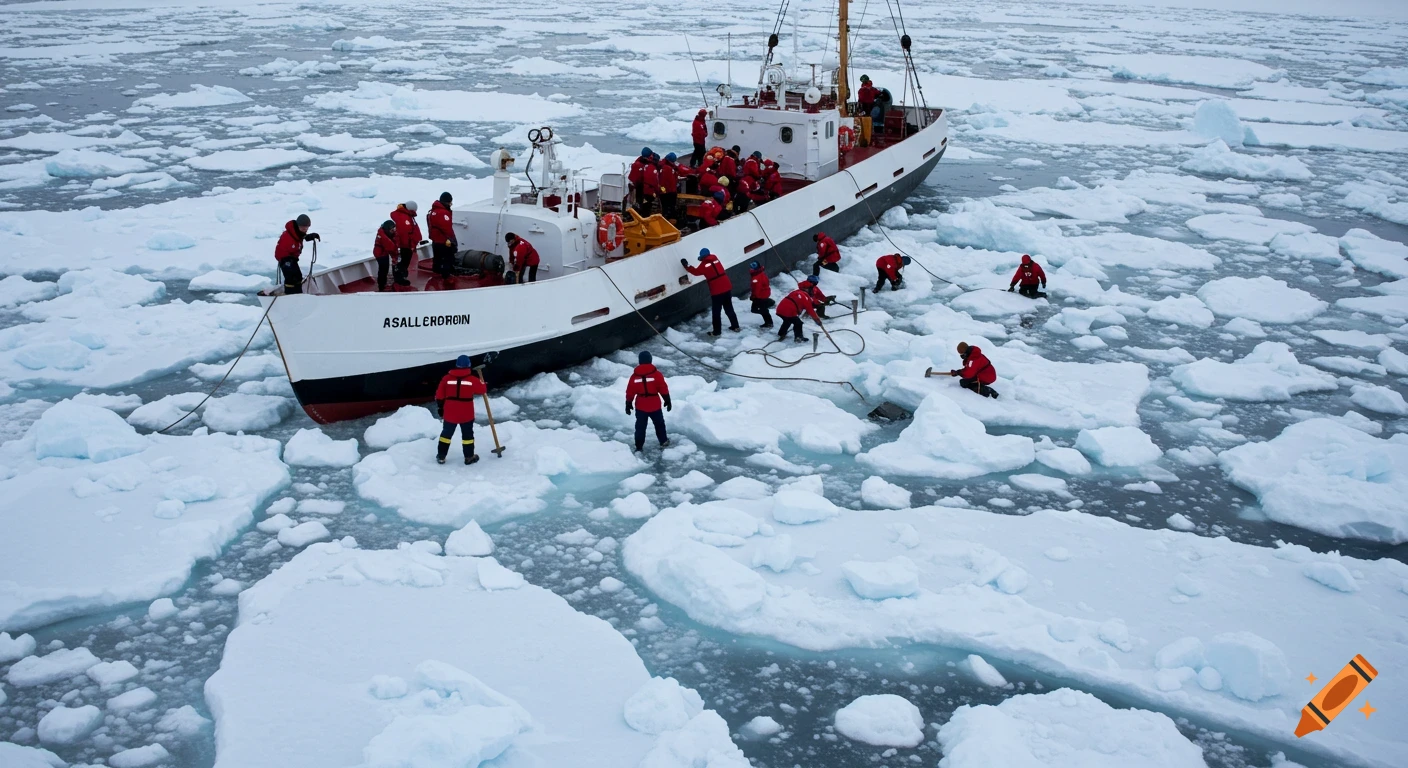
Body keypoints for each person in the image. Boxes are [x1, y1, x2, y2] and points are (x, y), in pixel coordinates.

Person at [434, 355, 487, 465]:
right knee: (467, 436)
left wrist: (440, 407)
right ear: (468, 365)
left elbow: (439, 395)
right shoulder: (472, 380)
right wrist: (482, 383)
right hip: (466, 413)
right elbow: (482, 390)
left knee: (446, 435)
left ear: (456, 365)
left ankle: (441, 456)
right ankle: (469, 457)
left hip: (450, 412)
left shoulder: (446, 378)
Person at [682, 247, 739, 336]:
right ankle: (735, 326)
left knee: (716, 312)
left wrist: (687, 265)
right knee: (729, 308)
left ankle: (716, 331)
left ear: (702, 257)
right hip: (727, 287)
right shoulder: (716, 259)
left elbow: (696, 272)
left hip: (717, 291)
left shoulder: (704, 264)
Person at [625, 350, 671, 452]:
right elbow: (663, 388)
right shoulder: (657, 374)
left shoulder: (634, 376)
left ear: (640, 361)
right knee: (659, 424)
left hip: (641, 405)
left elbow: (630, 391)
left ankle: (639, 447)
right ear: (650, 360)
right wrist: (667, 400)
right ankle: (663, 441)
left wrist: (628, 403)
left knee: (640, 427)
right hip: (655, 405)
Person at [274, 214, 319, 294]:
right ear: (298, 226)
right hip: (285, 258)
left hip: (292, 258)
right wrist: (286, 260)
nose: (305, 229)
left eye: (306, 227)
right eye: (303, 227)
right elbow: (280, 250)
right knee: (291, 277)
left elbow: (302, 236)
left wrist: (311, 236)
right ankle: (290, 295)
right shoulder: (288, 235)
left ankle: (297, 294)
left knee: (298, 276)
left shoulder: (296, 232)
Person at [390, 201, 421, 287]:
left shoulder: (406, 216)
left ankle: (401, 276)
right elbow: (405, 233)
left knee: (403, 262)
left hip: (406, 245)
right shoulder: (404, 217)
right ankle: (399, 279)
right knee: (403, 262)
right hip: (405, 245)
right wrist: (411, 245)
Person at [427, 192, 456, 280]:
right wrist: (452, 239)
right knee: (448, 257)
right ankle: (446, 275)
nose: (450, 205)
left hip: (435, 240)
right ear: (446, 202)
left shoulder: (433, 211)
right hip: (444, 240)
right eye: (450, 202)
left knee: (437, 257)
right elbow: (447, 228)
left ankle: (436, 272)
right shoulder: (443, 213)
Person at [373, 219, 397, 291]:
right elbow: (391, 246)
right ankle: (382, 286)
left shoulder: (383, 233)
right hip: (380, 254)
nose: (393, 231)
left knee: (384, 269)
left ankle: (383, 284)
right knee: (383, 269)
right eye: (392, 230)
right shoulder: (383, 236)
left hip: (383, 253)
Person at [748, 260, 773, 328]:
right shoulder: (761, 274)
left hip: (760, 296)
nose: (751, 268)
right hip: (764, 294)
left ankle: (769, 322)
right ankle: (767, 316)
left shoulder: (756, 278)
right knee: (759, 309)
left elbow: (757, 289)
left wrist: (753, 296)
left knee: (758, 309)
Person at [659, 153, 682, 220]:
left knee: (666, 207)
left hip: (667, 190)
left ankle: (667, 218)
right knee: (669, 207)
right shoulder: (667, 168)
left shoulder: (664, 166)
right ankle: (669, 219)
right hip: (669, 191)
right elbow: (666, 181)